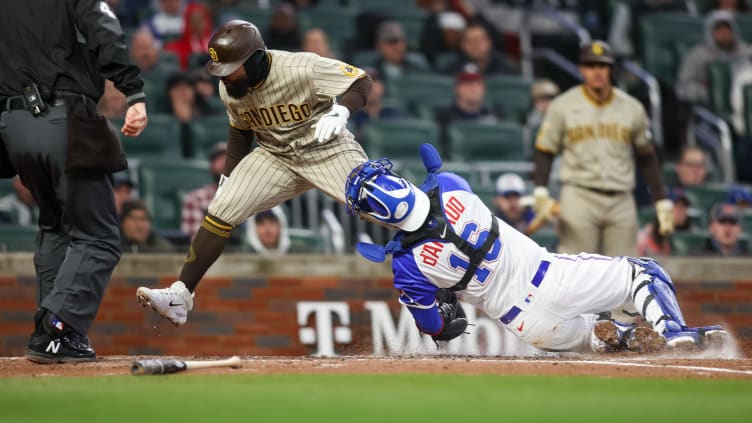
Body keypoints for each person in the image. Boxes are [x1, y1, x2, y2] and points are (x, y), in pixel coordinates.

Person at [343, 145, 728, 354]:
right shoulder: (448, 183)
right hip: (551, 277)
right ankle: (673, 331)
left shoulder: (405, 267)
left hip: (528, 326)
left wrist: (444, 298)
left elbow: (434, 327)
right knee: (642, 272)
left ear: (374, 216)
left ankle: (616, 336)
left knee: (598, 335)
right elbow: (431, 205)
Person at [136, 20, 372, 326]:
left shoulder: (301, 67)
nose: (225, 77)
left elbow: (362, 81)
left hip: (325, 148)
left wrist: (343, 110)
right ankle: (180, 295)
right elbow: (240, 131)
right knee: (221, 208)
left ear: (256, 59)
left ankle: (442, 267)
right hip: (276, 155)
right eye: (221, 70)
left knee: (382, 203)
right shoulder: (229, 86)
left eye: (232, 68)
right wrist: (227, 177)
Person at [0, 0, 148, 363]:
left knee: (55, 228)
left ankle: (49, 331)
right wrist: (134, 91)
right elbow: (105, 30)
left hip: (11, 126)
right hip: (60, 118)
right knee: (98, 237)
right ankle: (57, 329)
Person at [533, 40, 673, 257]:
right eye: (590, 66)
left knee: (626, 268)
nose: (597, 72)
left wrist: (661, 199)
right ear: (581, 69)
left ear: (611, 69)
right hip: (579, 194)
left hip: (621, 197)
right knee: (576, 268)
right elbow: (545, 150)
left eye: (602, 66)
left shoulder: (631, 108)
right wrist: (540, 190)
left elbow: (646, 156)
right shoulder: (563, 105)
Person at [675, 10, 752, 105]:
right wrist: (707, 91)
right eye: (719, 30)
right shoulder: (697, 55)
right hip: (713, 105)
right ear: (710, 33)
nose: (724, 34)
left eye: (728, 29)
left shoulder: (745, 51)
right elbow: (682, 88)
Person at [435, 64, 497, 152]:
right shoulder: (443, 117)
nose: (472, 88)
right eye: (467, 83)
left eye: (477, 83)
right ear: (456, 88)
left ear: (484, 88)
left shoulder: (494, 114)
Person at [181, 142, 227, 239]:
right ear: (211, 167)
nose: (225, 163)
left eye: (230, 160)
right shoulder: (196, 199)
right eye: (220, 159)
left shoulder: (251, 198)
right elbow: (196, 241)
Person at [445, 22, 517, 77]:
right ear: (462, 45)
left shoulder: (506, 70)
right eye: (468, 41)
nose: (474, 45)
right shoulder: (453, 71)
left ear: (489, 42)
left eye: (478, 40)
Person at [350, 68, 406, 138]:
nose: (370, 86)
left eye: (375, 81)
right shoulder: (348, 118)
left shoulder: (395, 115)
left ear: (383, 87)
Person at [637, 188, 694, 256]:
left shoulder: (690, 233)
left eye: (684, 207)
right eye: (677, 206)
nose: (681, 211)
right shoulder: (649, 233)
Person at [164, 2, 214, 70]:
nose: (198, 24)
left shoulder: (215, 42)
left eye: (201, 19)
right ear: (188, 23)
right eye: (194, 21)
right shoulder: (179, 47)